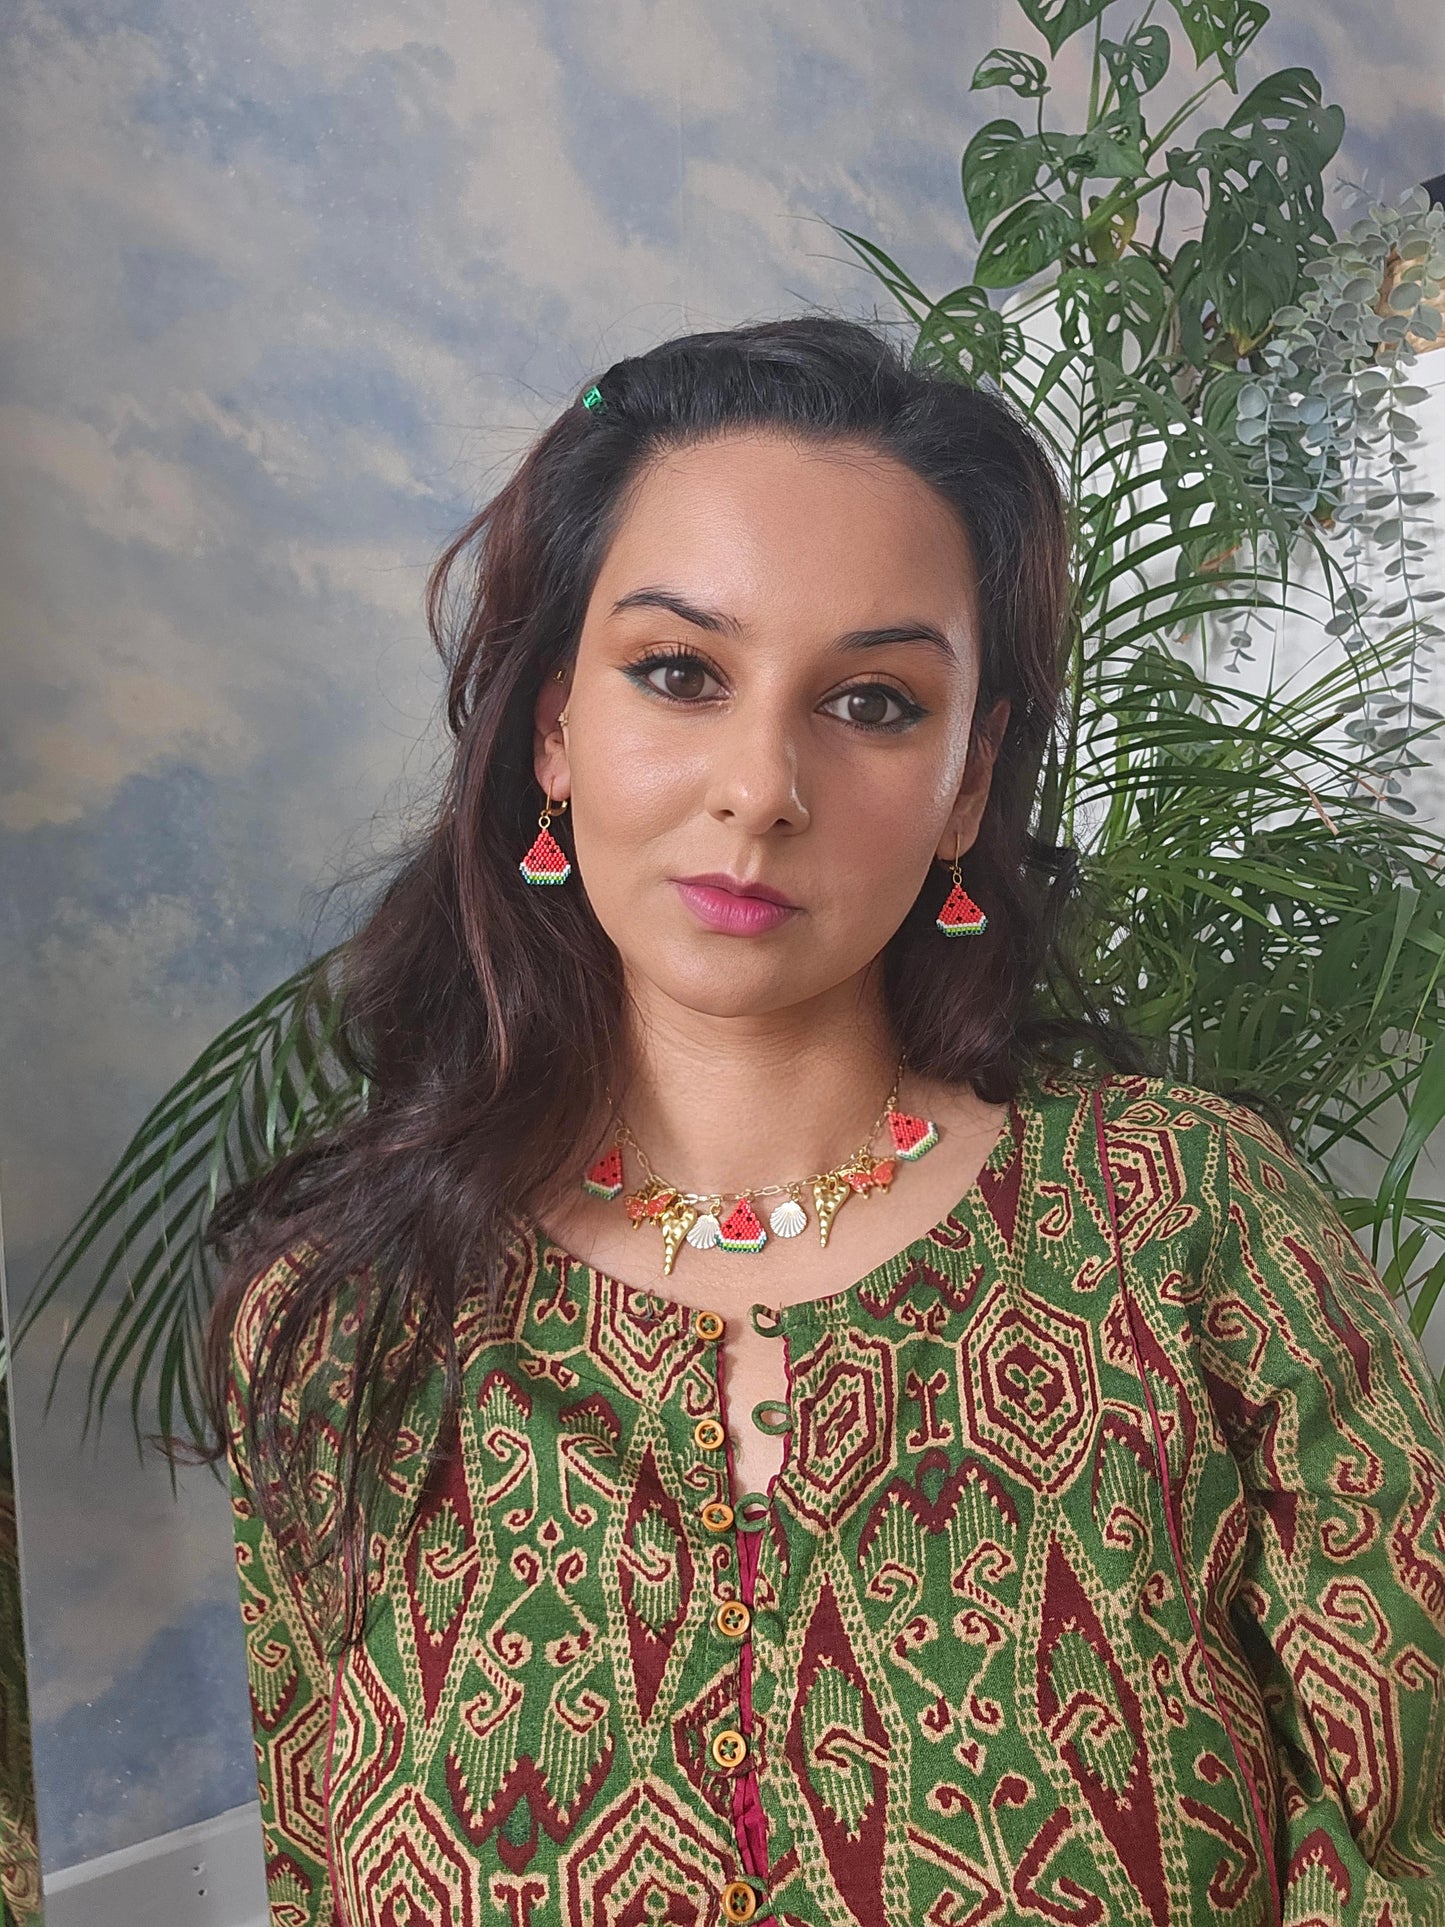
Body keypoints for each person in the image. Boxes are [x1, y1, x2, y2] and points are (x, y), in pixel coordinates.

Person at [204, 315, 1445, 1927]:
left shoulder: (1193, 1226)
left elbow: (1410, 1846)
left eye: (869, 703)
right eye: (677, 673)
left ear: (968, 776)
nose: (760, 783)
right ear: (552, 727)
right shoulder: (339, 1323)